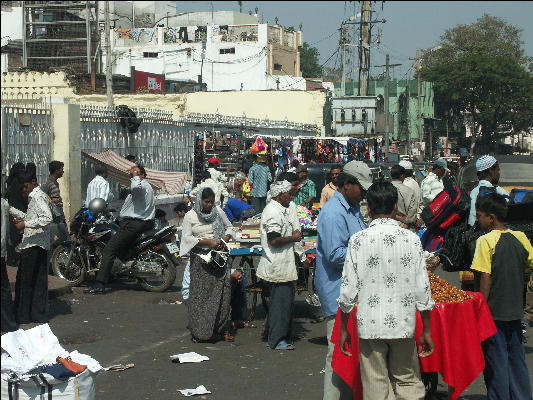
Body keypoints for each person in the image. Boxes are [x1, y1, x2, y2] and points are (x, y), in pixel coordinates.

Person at [338, 181, 435, 400]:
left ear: (369, 209)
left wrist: (344, 328)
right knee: (408, 381)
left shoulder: (357, 241)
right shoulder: (412, 240)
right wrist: (427, 329)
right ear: (395, 206)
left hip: (369, 324)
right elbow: (422, 288)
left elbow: (347, 290)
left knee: (375, 385)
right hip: (403, 323)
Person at [315, 160, 372, 400]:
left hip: (353, 291)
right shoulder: (333, 213)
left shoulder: (353, 207)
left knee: (349, 353)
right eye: (362, 188)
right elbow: (335, 254)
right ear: (347, 184)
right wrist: (368, 254)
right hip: (337, 292)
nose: (365, 194)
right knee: (338, 354)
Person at [470, 193, 532, 399]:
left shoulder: (485, 241)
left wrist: (481, 310)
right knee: (516, 358)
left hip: (493, 313)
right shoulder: (520, 237)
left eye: (479, 216)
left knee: (496, 362)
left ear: (492, 217)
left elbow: (485, 278)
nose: (477, 220)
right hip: (515, 311)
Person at [85, 165, 155, 294]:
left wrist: (135, 175)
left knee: (109, 249)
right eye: (132, 174)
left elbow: (135, 187)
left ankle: (99, 284)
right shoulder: (145, 187)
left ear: (143, 175)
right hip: (137, 222)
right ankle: (114, 272)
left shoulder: (142, 186)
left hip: (134, 224)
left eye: (137, 173)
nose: (133, 176)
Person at [179, 187, 235, 343]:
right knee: (200, 296)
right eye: (206, 202)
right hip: (200, 260)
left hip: (219, 258)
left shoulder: (218, 212)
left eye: (211, 202)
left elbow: (229, 227)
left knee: (222, 294)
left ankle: (220, 329)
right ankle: (199, 332)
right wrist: (206, 241)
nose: (209, 205)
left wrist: (224, 240)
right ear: (200, 201)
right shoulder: (190, 216)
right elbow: (186, 238)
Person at [257, 180, 302, 350]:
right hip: (277, 265)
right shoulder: (272, 212)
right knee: (279, 305)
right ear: (280, 194)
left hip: (282, 264)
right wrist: (294, 238)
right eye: (289, 194)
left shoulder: (280, 209)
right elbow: (274, 240)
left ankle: (281, 335)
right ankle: (276, 339)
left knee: (283, 304)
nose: (291, 197)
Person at [9, 172, 53, 324]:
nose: (24, 191)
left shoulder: (36, 196)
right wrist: (14, 212)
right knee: (37, 281)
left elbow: (47, 218)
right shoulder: (38, 195)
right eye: (22, 188)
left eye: (25, 187)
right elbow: (33, 218)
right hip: (39, 244)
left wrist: (25, 224)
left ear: (33, 182)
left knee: (25, 281)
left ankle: (24, 315)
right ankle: (36, 314)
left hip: (33, 244)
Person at [467, 155, 509, 227]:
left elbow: (472, 221)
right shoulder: (501, 192)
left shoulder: (474, 193)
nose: (498, 174)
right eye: (497, 170)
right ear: (491, 172)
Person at [4, 163, 27, 267]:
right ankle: (16, 259)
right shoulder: (20, 183)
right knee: (18, 237)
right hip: (19, 212)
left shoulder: (9, 182)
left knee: (11, 237)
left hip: (11, 212)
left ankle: (11, 259)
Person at [1, 197, 18, 333]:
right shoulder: (4, 203)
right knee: (4, 288)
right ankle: (8, 323)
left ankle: (8, 323)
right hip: (1, 250)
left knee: (4, 288)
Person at [390, 164, 418, 231]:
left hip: (390, 226)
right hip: (407, 229)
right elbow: (412, 212)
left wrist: (396, 216)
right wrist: (406, 223)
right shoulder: (408, 191)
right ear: (402, 176)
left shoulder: (384, 189)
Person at [399, 160, 424, 225]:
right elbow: (421, 203)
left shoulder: (405, 185)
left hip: (405, 224)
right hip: (413, 222)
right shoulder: (415, 183)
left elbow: (409, 207)